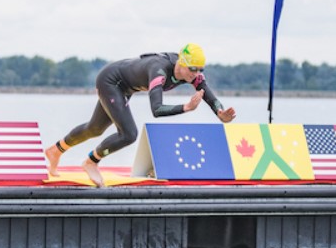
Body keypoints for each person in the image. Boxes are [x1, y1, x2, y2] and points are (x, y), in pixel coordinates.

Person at [44, 43, 237, 187]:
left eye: (200, 69)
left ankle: (56, 150)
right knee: (128, 134)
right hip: (110, 81)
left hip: (124, 87)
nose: (196, 74)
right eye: (192, 69)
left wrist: (219, 113)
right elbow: (157, 109)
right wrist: (185, 107)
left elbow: (209, 95)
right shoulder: (159, 71)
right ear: (181, 63)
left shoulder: (191, 74)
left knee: (94, 129)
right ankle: (91, 162)